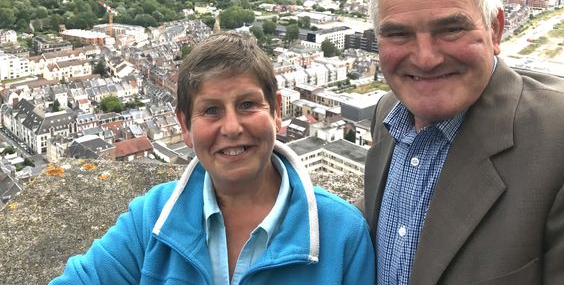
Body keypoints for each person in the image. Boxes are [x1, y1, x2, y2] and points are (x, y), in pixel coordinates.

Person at [362, 0, 564, 284]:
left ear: (495, 28)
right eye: (398, 35)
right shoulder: (387, 113)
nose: (426, 58)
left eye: (451, 29)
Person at [52, 32, 375, 284]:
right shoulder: (152, 217)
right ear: (185, 127)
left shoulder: (342, 232)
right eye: (210, 110)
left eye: (248, 104)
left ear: (277, 111)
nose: (232, 127)